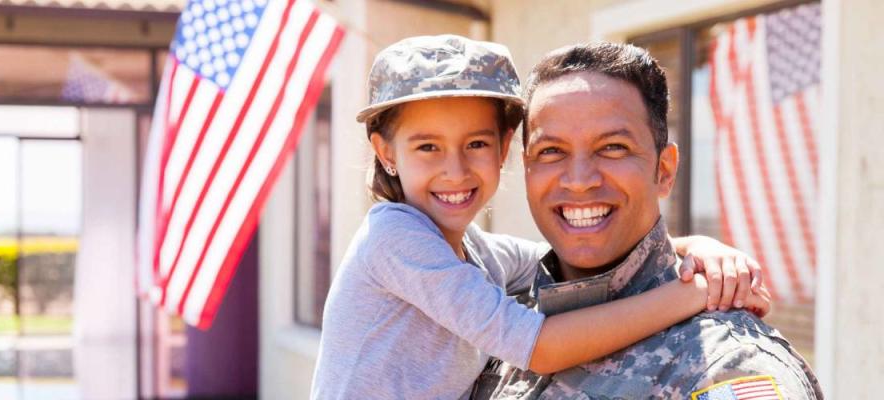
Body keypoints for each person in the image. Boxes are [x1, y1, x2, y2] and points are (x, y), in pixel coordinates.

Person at [311, 35, 768, 400]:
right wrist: (697, 293)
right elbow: (540, 347)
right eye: (427, 146)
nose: (455, 169)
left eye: (476, 144)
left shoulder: (477, 254)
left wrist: (703, 248)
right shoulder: (393, 237)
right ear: (386, 152)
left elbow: (559, 255)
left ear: (505, 148)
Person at [471, 42, 822, 399]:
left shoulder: (724, 364)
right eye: (551, 151)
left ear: (664, 170)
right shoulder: (495, 325)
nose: (579, 180)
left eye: (613, 148)